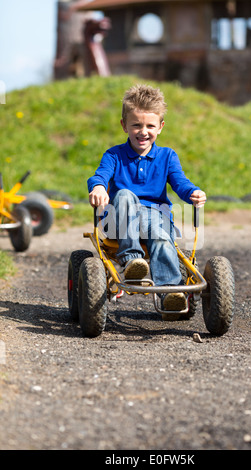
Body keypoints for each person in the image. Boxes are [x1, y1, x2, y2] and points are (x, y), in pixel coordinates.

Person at [88, 84, 206, 313]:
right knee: (123, 195)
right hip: (119, 221)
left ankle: (172, 292)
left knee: (162, 236)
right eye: (136, 125)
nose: (143, 131)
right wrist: (100, 188)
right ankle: (132, 261)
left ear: (160, 127)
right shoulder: (114, 155)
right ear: (124, 126)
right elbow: (100, 175)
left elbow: (180, 182)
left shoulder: (167, 156)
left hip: (154, 217)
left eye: (150, 126)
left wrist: (193, 192)